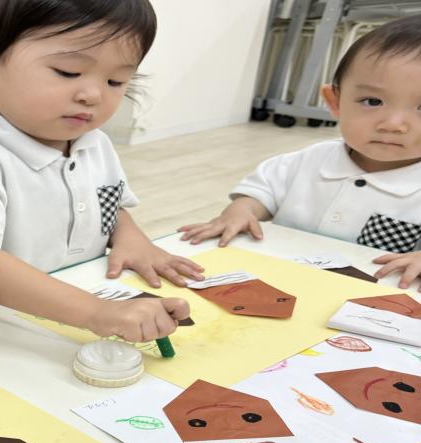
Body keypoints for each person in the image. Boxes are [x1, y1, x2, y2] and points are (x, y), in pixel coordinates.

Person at [0, 0, 197, 342]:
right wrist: (95, 312)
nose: (92, 94)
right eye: (67, 71)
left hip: (73, 312)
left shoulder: (94, 143)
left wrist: (131, 238)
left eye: (116, 80)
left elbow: (108, 205)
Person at [178, 15, 421, 290]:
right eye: (372, 101)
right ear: (335, 102)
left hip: (370, 304)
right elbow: (261, 192)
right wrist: (240, 211)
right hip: (278, 281)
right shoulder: (309, 161)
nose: (393, 124)